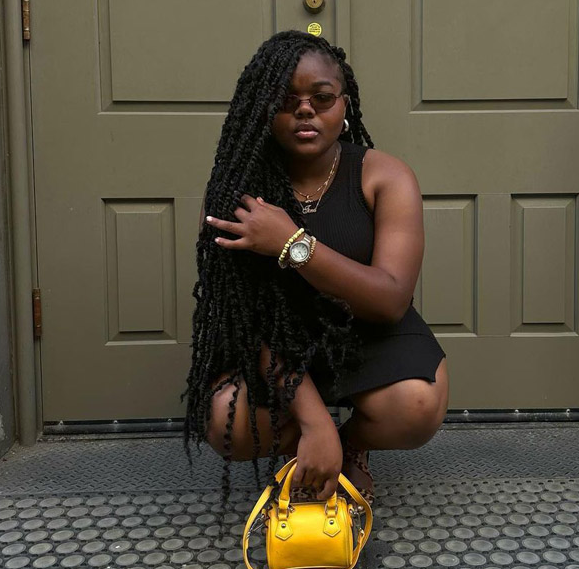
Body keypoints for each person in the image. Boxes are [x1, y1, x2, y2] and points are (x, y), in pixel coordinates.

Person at [184, 29, 448, 518]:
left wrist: (290, 243)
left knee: (416, 406)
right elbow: (251, 319)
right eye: (286, 101)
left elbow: (390, 299)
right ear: (264, 109)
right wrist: (312, 421)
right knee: (226, 419)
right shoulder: (236, 190)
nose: (305, 110)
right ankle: (306, 445)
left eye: (322, 98)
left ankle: (350, 447)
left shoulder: (384, 176)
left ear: (343, 104)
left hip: (366, 331)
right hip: (275, 349)